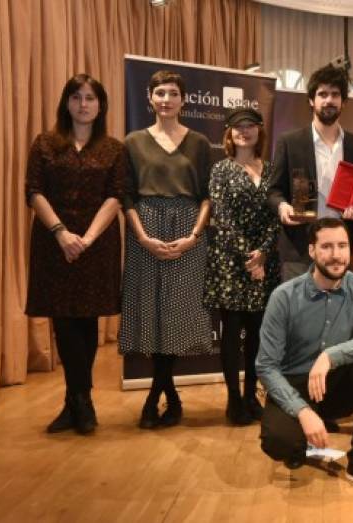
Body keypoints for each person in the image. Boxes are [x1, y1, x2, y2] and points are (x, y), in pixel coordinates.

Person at [256, 217, 353, 498]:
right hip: (295, 384)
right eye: (327, 246)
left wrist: (331, 355)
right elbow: (266, 366)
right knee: (278, 442)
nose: (336, 254)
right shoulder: (284, 296)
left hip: (333, 383)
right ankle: (299, 442)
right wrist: (303, 411)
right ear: (312, 251)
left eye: (342, 245)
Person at [25, 74, 127, 435]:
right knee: (64, 322)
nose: (83, 105)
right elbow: (34, 192)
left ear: (101, 106)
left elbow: (116, 196)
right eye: (76, 97)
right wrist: (62, 234)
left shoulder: (114, 148)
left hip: (96, 243)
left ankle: (77, 402)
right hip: (55, 245)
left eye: (90, 98)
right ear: (66, 103)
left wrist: (86, 238)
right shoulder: (46, 143)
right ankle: (81, 402)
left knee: (87, 321)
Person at [119, 70, 214, 430]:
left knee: (176, 314)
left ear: (183, 100)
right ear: (149, 98)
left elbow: (206, 195)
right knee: (152, 312)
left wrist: (193, 235)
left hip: (188, 232)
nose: (166, 99)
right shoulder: (133, 142)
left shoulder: (201, 143)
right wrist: (142, 237)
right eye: (160, 92)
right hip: (146, 229)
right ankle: (169, 395)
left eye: (173, 93)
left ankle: (156, 396)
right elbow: (125, 195)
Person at [204, 107, 280, 426]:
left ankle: (252, 395)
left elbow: (278, 214)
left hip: (264, 263)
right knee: (232, 335)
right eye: (238, 127)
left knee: (257, 338)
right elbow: (220, 218)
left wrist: (262, 253)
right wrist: (250, 258)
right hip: (230, 263)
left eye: (250, 126)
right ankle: (234, 400)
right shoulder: (221, 169)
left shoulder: (273, 169)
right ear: (230, 133)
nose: (244, 131)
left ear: (259, 131)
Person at [268, 64, 353, 281]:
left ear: (344, 102)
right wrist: (283, 207)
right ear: (311, 100)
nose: (329, 100)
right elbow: (273, 191)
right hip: (300, 247)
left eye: (335, 94)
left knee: (339, 312)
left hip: (340, 248)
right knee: (299, 312)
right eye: (322, 94)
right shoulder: (290, 142)